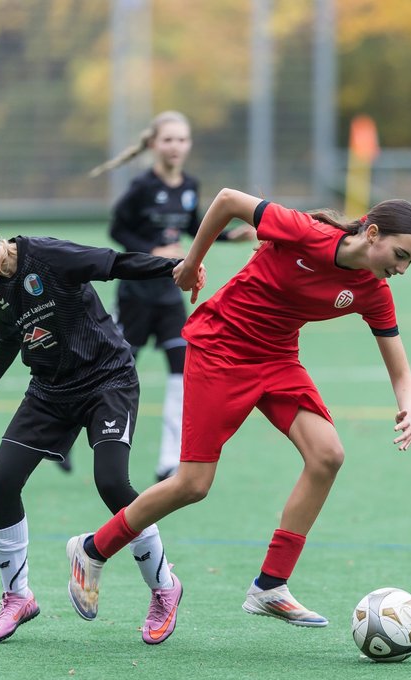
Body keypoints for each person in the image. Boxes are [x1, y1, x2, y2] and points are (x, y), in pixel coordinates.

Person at [64, 190, 411, 627]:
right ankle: (92, 550)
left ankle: (270, 585)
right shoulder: (306, 233)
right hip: (220, 349)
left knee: (327, 455)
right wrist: (192, 263)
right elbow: (227, 200)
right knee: (193, 484)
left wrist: (408, 407)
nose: (402, 269)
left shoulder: (373, 291)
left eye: (410, 263)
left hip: (277, 360)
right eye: (401, 255)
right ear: (372, 233)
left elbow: (401, 371)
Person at [0, 211, 205, 645]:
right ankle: (17, 597)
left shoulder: (48, 256)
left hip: (107, 380)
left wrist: (175, 268)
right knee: (2, 481)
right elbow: (8, 340)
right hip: (50, 392)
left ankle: (164, 588)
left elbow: (112, 263)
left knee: (113, 483)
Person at [89, 111, 256, 481]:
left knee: (182, 374)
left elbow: (196, 227)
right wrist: (151, 251)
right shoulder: (141, 188)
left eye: (182, 139)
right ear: (153, 145)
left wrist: (230, 235)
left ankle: (168, 460)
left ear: (189, 144)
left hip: (170, 295)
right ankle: (67, 433)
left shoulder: (190, 186)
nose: (175, 146)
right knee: (112, 371)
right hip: (135, 296)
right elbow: (118, 229)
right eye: (168, 139)